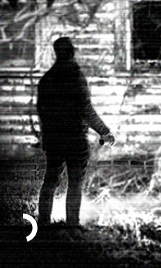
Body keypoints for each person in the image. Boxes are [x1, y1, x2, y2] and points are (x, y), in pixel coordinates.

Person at [36, 36, 115, 228]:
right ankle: (72, 224)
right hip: (75, 139)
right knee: (75, 183)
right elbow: (86, 109)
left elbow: (42, 112)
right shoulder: (76, 77)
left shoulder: (46, 80)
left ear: (56, 53)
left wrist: (48, 135)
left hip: (54, 138)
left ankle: (44, 223)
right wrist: (104, 131)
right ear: (72, 52)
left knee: (50, 181)